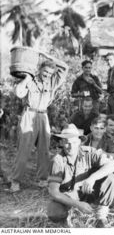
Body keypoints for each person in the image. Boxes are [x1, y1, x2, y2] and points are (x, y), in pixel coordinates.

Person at [9, 60, 68, 193]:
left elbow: (65, 68)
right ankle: (16, 180)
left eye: (50, 73)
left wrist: (47, 56)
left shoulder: (52, 82)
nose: (47, 74)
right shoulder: (30, 79)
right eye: (45, 71)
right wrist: (27, 79)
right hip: (29, 114)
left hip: (43, 116)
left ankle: (42, 179)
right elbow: (19, 93)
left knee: (44, 149)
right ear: (40, 69)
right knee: (24, 149)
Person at [47, 124, 114, 228]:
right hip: (69, 195)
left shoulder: (89, 152)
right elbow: (54, 192)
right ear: (61, 143)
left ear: (79, 141)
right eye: (66, 142)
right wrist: (77, 204)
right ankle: (66, 217)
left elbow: (113, 165)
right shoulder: (58, 160)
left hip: (87, 190)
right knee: (54, 213)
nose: (70, 146)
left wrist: (92, 178)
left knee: (110, 178)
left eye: (74, 142)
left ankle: (101, 217)